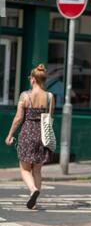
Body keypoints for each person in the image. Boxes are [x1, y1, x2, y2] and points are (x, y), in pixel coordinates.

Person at [5, 64, 55, 210]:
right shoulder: (50, 97)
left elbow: (19, 117)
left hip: (27, 133)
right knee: (37, 170)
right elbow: (50, 117)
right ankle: (35, 202)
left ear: (33, 80)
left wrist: (10, 135)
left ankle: (33, 190)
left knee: (25, 168)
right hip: (42, 134)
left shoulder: (25, 96)